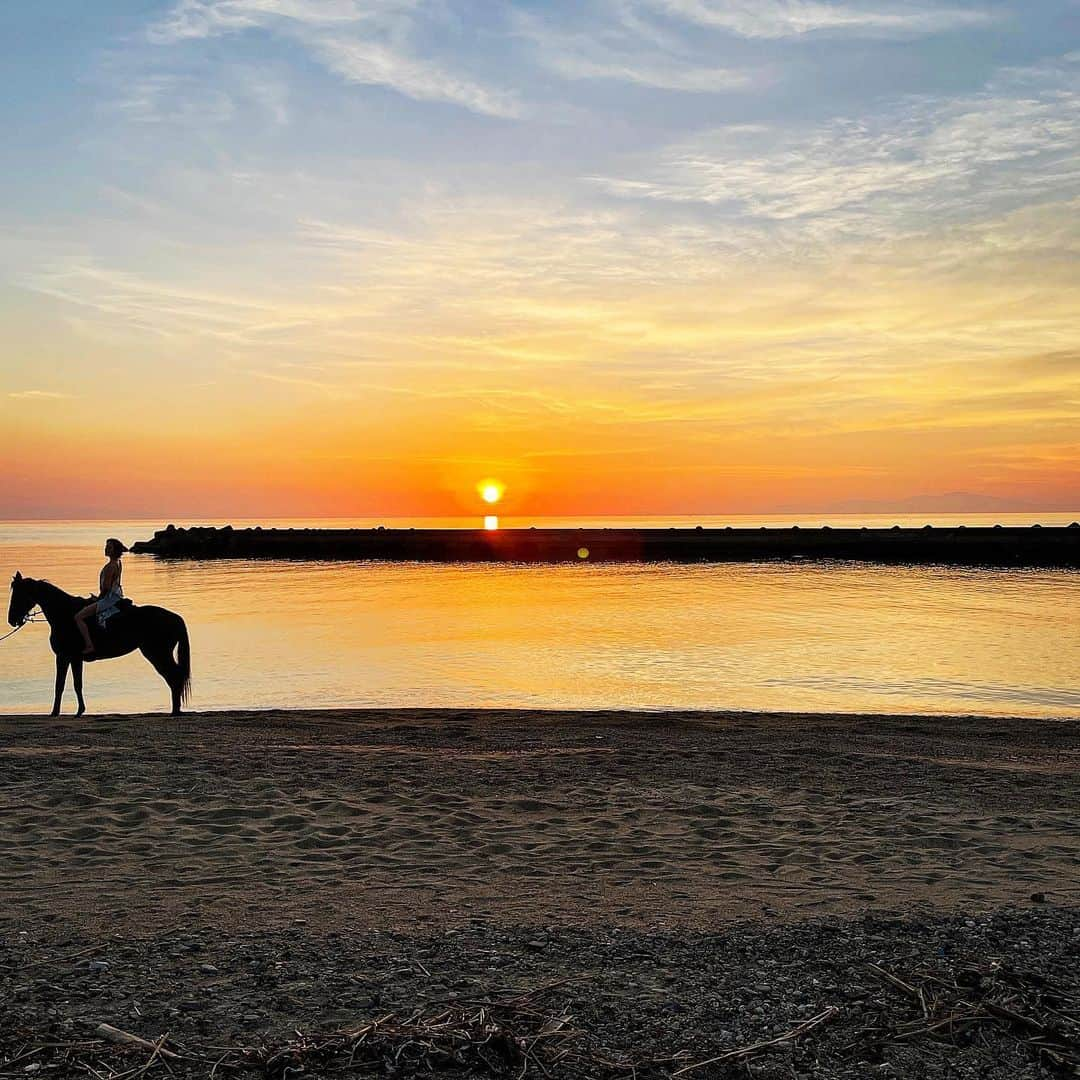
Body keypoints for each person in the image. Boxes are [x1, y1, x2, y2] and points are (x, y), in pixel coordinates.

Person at [74, 538, 128, 655]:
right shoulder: (118, 562)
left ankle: (89, 645)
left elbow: (106, 588)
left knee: (79, 617)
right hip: (116, 596)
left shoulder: (110, 566)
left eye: (109, 547)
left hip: (109, 599)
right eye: (106, 546)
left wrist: (98, 599)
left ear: (114, 550)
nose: (106, 549)